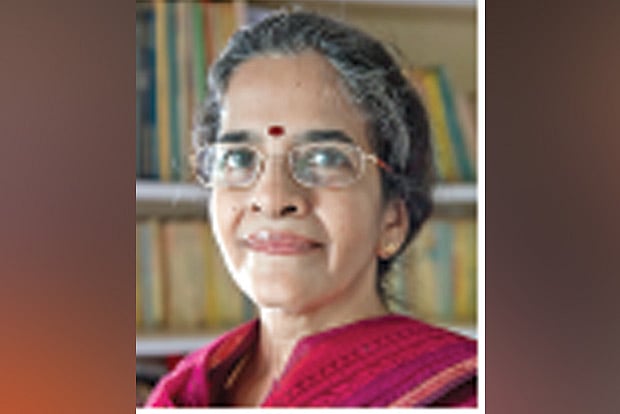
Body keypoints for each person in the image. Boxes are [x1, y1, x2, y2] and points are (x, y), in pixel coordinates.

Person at [146, 10, 476, 407]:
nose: (272, 198)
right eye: (238, 158)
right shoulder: (186, 391)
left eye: (324, 158)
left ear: (392, 220)